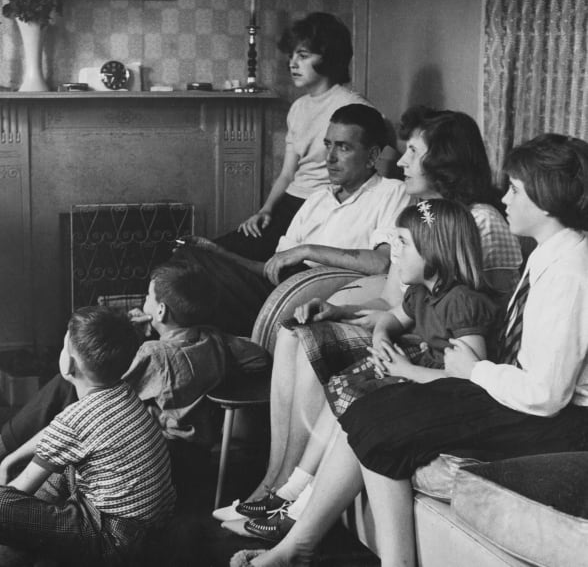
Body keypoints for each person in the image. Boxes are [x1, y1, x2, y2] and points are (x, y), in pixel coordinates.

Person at [231, 133, 588, 567]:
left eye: (515, 189)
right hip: (517, 391)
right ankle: (297, 546)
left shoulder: (571, 273)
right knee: (370, 407)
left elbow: (546, 395)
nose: (505, 198)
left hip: (562, 420)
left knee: (385, 421)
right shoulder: (550, 254)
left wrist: (474, 372)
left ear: (546, 200)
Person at [215, 108, 522, 523]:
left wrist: (406, 344)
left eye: (413, 150)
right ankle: (275, 482)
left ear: (443, 160)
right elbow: (396, 303)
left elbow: (493, 313)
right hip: (411, 335)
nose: (401, 162)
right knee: (297, 329)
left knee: (312, 345)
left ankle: (285, 495)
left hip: (444, 353)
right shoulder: (421, 218)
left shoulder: (477, 220)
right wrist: (341, 309)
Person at [229, 199, 497, 542]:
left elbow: (470, 380)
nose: (394, 252)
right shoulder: (420, 293)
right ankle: (291, 489)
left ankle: (298, 509)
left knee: (359, 403)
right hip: (419, 375)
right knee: (342, 386)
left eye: (404, 243)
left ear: (435, 253)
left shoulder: (462, 302)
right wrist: (383, 336)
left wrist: (407, 370)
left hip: (445, 395)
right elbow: (391, 318)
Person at [0, 261, 270, 492]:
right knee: (65, 385)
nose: (145, 301)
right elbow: (259, 358)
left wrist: (130, 335)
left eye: (149, 296)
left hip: (161, 458)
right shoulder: (215, 340)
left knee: (65, 384)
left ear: (160, 312)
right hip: (196, 457)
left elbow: (102, 383)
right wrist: (215, 377)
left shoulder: (155, 355)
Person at [0, 306, 176, 567]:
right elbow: (56, 438)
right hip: (150, 529)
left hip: (113, 542)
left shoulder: (75, 420)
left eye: (64, 347)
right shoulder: (124, 393)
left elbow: (15, 491)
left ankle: (25, 551)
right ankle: (36, 547)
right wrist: (8, 461)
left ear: (69, 363)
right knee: (63, 466)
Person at [175, 103, 411, 336]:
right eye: (328, 145)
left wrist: (307, 250)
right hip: (282, 289)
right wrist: (220, 253)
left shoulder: (392, 192)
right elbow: (274, 269)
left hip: (312, 298)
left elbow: (382, 263)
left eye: (343, 148)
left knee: (193, 284)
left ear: (372, 156)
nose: (329, 158)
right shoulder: (318, 199)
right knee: (191, 259)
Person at [215, 12, 372, 262]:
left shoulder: (353, 105)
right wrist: (265, 210)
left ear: (328, 58)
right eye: (292, 56)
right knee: (210, 250)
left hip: (320, 207)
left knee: (230, 258)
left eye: (303, 55)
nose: (292, 64)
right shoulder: (298, 107)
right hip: (289, 203)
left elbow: (378, 165)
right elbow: (288, 174)